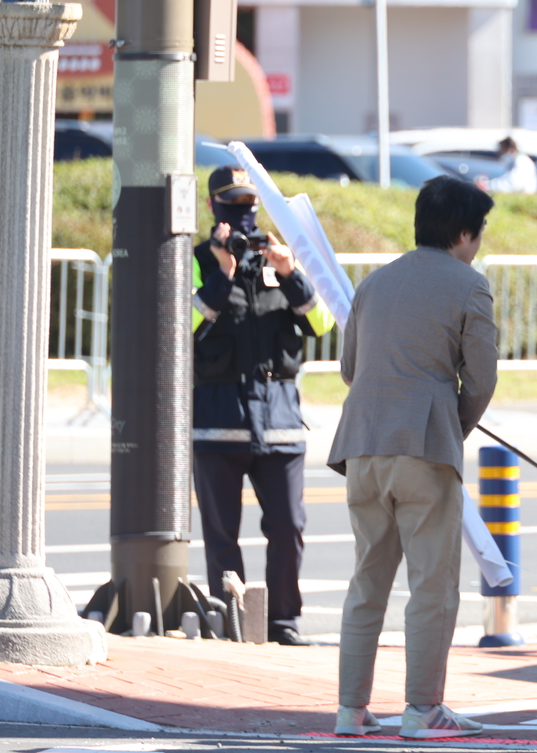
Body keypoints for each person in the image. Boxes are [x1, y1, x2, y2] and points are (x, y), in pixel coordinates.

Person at [326, 175, 498, 738]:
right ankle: (422, 709)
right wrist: (455, 424)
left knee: (367, 582)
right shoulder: (469, 285)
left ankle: (351, 710)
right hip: (424, 444)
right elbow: (481, 378)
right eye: (480, 232)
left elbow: (349, 369)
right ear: (465, 232)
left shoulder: (373, 283)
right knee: (432, 586)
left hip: (361, 446)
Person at [191, 165, 335, 646]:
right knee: (221, 535)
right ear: (214, 208)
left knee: (289, 526)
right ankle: (233, 624)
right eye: (234, 206)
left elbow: (322, 324)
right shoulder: (195, 260)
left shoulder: (283, 262)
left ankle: (282, 622)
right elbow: (182, 328)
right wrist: (223, 273)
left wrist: (291, 273)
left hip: (279, 423)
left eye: (250, 206)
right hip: (217, 423)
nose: (244, 217)